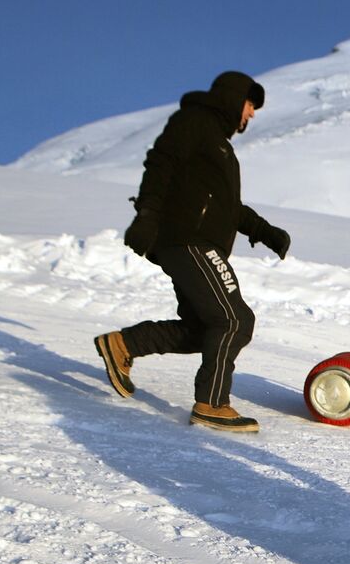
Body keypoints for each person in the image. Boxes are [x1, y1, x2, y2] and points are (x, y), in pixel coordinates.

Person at [93, 70, 291, 432]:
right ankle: (212, 403)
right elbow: (161, 163)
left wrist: (265, 232)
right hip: (188, 240)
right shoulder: (195, 121)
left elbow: (228, 207)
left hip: (197, 243)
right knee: (234, 320)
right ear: (235, 99)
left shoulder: (220, 146)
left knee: (205, 330)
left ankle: (123, 344)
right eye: (250, 104)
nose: (252, 114)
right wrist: (147, 216)